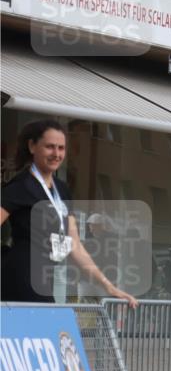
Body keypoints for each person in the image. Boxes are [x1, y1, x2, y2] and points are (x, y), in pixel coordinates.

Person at [1, 120, 137, 306]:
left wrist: (109, 287)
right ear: (32, 146)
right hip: (22, 274)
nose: (56, 154)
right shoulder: (21, 186)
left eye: (61, 148)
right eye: (50, 147)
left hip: (45, 275)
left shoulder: (62, 190)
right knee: (49, 329)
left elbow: (75, 246)